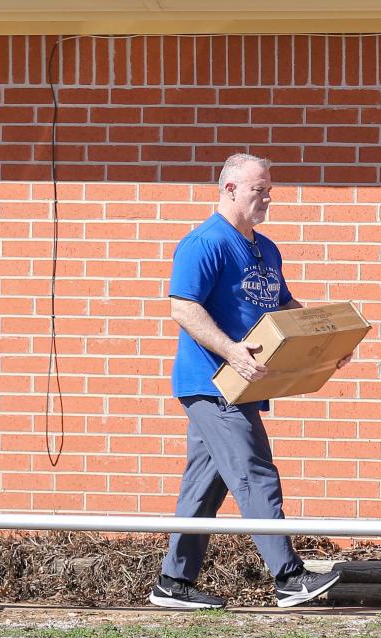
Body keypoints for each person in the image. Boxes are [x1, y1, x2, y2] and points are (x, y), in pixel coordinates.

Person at [150, 153, 350, 609]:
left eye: (269, 191)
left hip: (245, 384)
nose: (266, 198)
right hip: (215, 381)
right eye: (258, 190)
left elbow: (284, 306)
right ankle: (288, 578)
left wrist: (331, 340)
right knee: (255, 473)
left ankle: (173, 583)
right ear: (230, 188)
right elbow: (183, 307)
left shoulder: (265, 247)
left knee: (206, 484)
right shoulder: (204, 242)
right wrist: (231, 350)